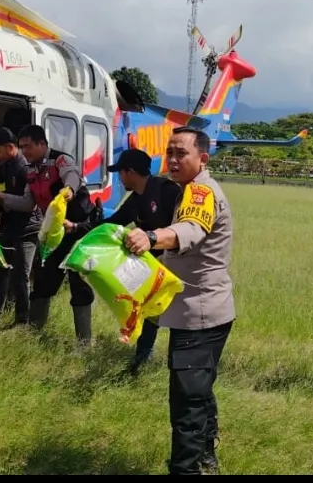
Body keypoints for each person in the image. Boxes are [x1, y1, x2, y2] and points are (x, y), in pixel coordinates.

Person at [123, 127, 234, 476]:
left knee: (186, 404)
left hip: (199, 315)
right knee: (198, 391)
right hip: (202, 312)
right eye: (168, 152)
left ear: (203, 157)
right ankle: (205, 457)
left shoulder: (200, 192)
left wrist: (154, 236)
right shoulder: (187, 188)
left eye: (180, 153)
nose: (171, 159)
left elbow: (190, 229)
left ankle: (186, 468)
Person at [69, 148, 181, 373]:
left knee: (178, 315)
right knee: (148, 308)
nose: (119, 178)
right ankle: (142, 359)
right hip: (154, 267)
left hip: (178, 263)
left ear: (130, 172)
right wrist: (76, 228)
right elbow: (114, 223)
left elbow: (182, 227)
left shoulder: (166, 191)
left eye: (120, 173)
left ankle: (178, 363)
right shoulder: (136, 199)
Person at [0, 124, 102, 347]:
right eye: (21, 147)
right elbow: (27, 203)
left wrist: (67, 191)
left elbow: (73, 176)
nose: (24, 151)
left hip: (79, 230)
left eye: (28, 146)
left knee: (78, 283)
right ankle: (34, 335)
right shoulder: (31, 171)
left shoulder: (60, 161)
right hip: (54, 234)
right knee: (43, 282)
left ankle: (84, 344)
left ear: (42, 144)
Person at [0, 127, 39, 326]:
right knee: (0, 267)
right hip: (9, 225)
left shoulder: (25, 168)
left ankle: (22, 321)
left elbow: (27, 204)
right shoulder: (6, 163)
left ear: (9, 147)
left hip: (28, 228)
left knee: (21, 275)